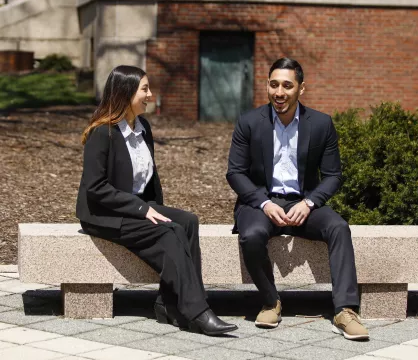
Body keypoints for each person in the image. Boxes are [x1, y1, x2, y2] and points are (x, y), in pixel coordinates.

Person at [76, 65, 237, 336]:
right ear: (126, 93)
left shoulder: (143, 127)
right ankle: (197, 311)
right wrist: (142, 210)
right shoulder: (102, 134)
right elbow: (96, 188)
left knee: (187, 222)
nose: (150, 94)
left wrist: (154, 207)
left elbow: (148, 178)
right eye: (145, 89)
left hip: (135, 205)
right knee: (170, 230)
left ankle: (168, 304)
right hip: (104, 214)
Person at [226, 57, 369, 340]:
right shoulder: (249, 122)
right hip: (261, 201)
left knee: (339, 228)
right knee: (252, 235)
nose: (280, 92)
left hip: (304, 202)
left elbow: (333, 175)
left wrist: (310, 203)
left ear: (301, 89)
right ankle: (270, 301)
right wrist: (264, 203)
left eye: (287, 85)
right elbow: (235, 173)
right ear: (267, 86)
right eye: (274, 84)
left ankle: (345, 310)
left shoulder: (321, 124)